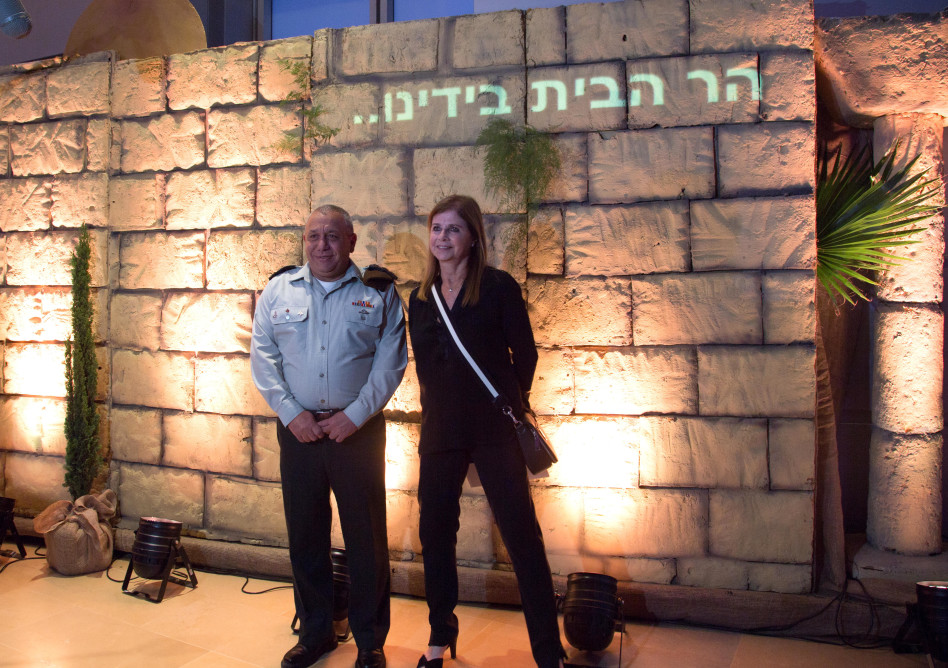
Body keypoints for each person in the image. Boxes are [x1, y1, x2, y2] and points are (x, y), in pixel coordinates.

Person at [408, 195, 565, 668]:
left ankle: (548, 651)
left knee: (521, 536)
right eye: (436, 228)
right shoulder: (420, 298)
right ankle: (440, 636)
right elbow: (427, 368)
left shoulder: (498, 288)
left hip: (494, 430)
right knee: (435, 534)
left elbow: (526, 354)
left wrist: (512, 403)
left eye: (453, 229)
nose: (442, 238)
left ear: (473, 237)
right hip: (441, 430)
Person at [251, 205, 407, 668]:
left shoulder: (378, 292)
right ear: (305, 240)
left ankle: (370, 641)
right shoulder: (278, 290)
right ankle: (315, 633)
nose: (322, 245)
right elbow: (263, 357)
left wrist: (354, 416)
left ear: (351, 241)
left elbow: (391, 363)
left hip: (356, 434)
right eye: (314, 236)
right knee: (305, 536)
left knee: (366, 540)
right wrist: (290, 413)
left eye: (333, 236)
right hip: (298, 432)